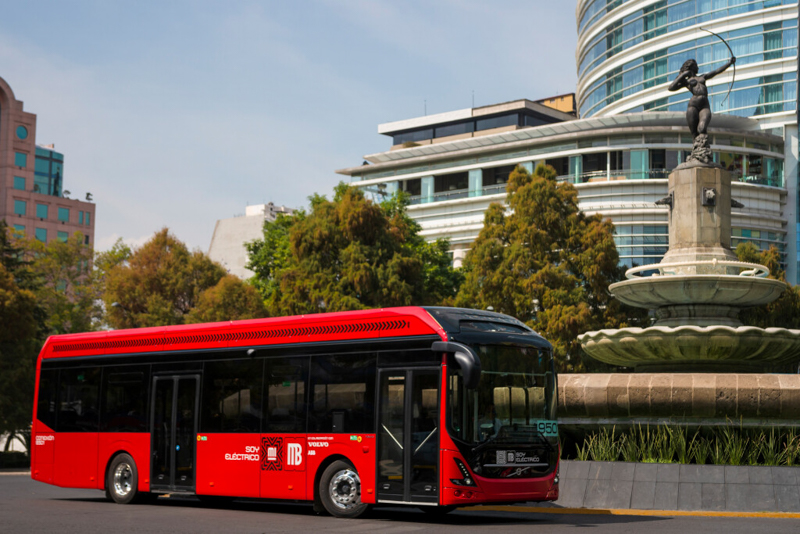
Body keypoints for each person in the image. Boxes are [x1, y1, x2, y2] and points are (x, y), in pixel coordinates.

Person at [668, 56, 736, 139]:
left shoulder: (702, 77)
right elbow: (671, 87)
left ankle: (702, 147)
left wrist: (729, 63)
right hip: (693, 105)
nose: (698, 68)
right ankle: (697, 148)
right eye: (696, 65)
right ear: (692, 67)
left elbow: (716, 71)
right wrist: (684, 74)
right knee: (694, 133)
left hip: (704, 105)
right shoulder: (686, 82)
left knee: (702, 128)